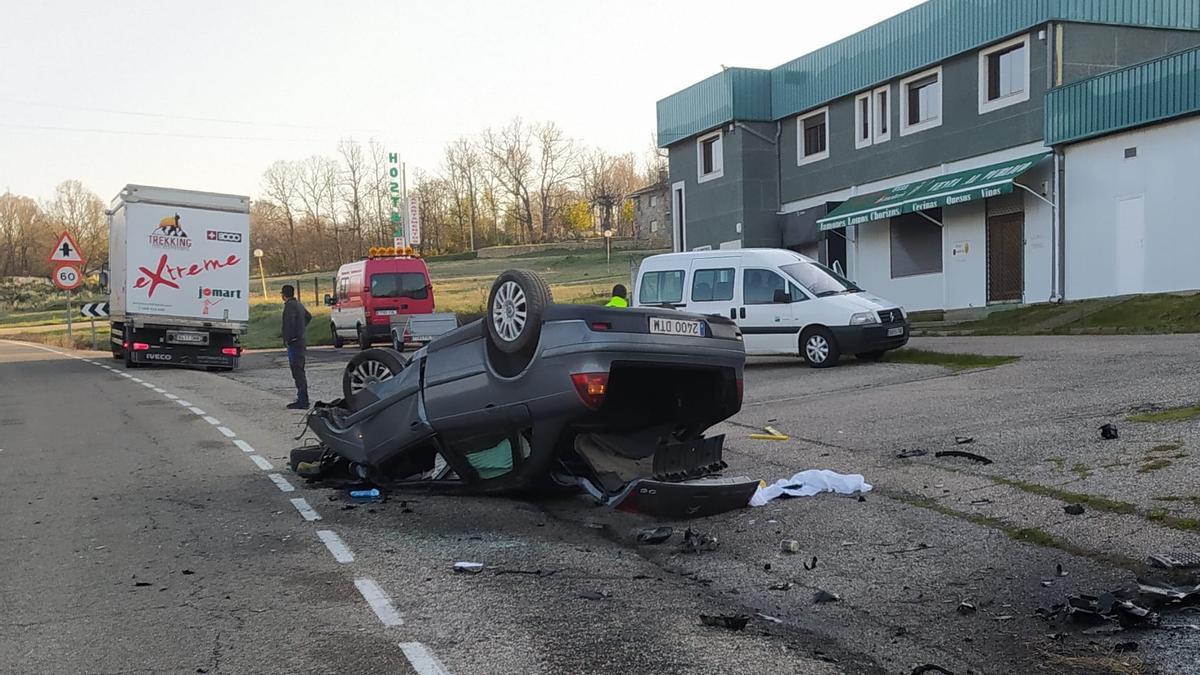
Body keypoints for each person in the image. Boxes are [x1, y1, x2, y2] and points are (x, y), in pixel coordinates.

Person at [281, 284, 312, 409]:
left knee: (297, 371)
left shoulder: (289, 306)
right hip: (300, 341)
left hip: (294, 342)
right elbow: (308, 316)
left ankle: (303, 400)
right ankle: (302, 397)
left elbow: (288, 323)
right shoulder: (298, 304)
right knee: (299, 369)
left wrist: (288, 338)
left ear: (283, 295)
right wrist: (301, 328)